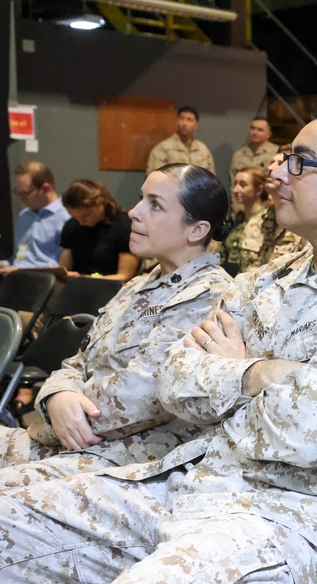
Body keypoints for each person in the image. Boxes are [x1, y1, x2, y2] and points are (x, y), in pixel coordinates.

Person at [0, 105, 317, 584]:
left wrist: (230, 370)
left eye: (300, 163)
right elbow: (176, 383)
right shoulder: (264, 281)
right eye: (283, 158)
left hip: (288, 522)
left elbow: (301, 437)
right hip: (187, 482)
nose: (277, 173)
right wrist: (259, 375)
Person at [0, 164, 232, 486]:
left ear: (196, 230)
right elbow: (79, 361)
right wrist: (56, 397)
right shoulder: (139, 285)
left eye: (155, 205)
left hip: (127, 460)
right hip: (76, 438)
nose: (134, 212)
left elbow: (138, 397)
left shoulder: (208, 295)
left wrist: (51, 425)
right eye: (141, 199)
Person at [232, 147, 306, 273]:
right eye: (271, 162)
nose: (270, 168)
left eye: (280, 163)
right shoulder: (257, 221)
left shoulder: (305, 227)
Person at [59, 180, 140, 282]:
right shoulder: (72, 226)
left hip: (110, 288)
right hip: (77, 286)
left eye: (85, 216)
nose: (81, 222)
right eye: (76, 218)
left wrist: (86, 280)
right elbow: (64, 269)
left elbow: (125, 276)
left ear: (100, 203)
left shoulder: (124, 226)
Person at [0, 162, 71, 274]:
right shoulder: (24, 216)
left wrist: (20, 270)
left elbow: (61, 267)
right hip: (15, 277)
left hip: (44, 281)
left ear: (46, 189)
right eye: (18, 192)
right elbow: (18, 258)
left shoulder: (66, 218)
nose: (21, 198)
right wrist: (5, 264)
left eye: (26, 193)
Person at [219, 167, 269, 274]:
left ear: (259, 190)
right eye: (235, 184)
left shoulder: (266, 221)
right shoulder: (237, 220)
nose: (235, 190)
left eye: (243, 185)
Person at [146, 106, 215, 174]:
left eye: (189, 120)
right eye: (182, 118)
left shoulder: (203, 150)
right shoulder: (163, 148)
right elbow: (155, 177)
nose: (184, 123)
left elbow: (211, 179)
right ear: (177, 121)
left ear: (196, 125)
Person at [229, 116, 278, 185]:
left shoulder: (276, 153)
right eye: (252, 128)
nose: (255, 132)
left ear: (268, 134)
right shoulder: (239, 155)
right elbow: (233, 182)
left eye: (260, 130)